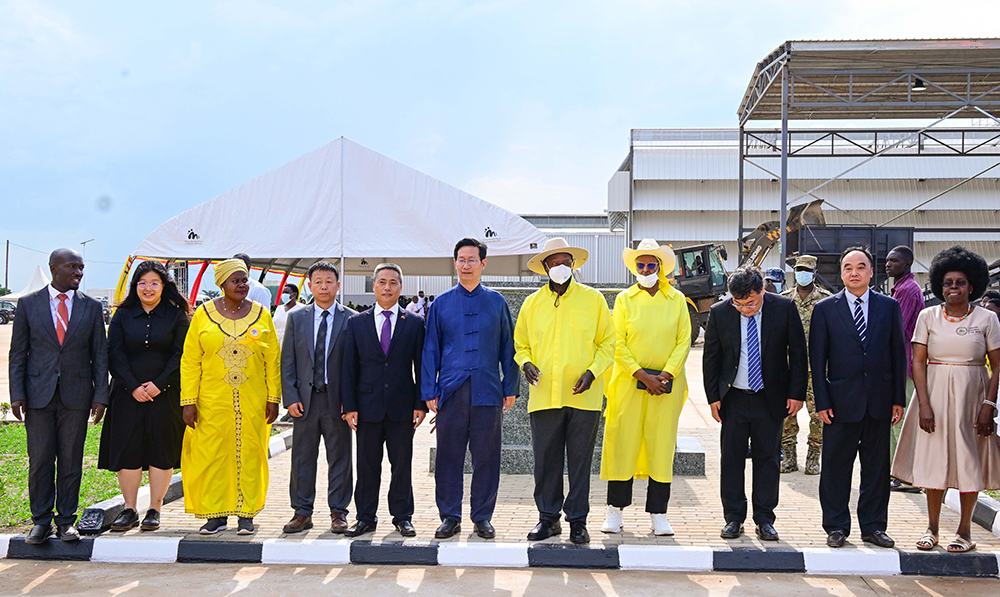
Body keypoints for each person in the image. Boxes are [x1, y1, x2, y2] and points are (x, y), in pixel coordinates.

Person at [892, 246, 1000, 553]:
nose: (954, 287)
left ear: (972, 285)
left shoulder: (987, 319)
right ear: (941, 286)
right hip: (934, 395)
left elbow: (997, 364)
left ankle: (964, 531)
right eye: (948, 282)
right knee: (934, 463)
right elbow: (917, 361)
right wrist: (924, 404)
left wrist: (988, 405)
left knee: (968, 462)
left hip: (973, 395)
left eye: (961, 282)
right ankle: (932, 528)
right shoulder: (928, 317)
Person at [515, 238, 615, 544]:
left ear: (573, 265)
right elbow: (521, 345)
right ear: (545, 267)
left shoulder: (593, 300)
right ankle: (548, 519)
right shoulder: (531, 304)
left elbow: (608, 343)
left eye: (565, 262)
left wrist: (592, 372)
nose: (561, 267)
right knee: (546, 461)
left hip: (584, 396)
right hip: (544, 395)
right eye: (554, 263)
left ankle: (577, 521)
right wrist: (526, 363)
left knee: (580, 461)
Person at [8, 248, 109, 544]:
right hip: (38, 396)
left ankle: (66, 521)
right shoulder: (29, 305)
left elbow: (99, 355)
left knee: (70, 460)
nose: (79, 272)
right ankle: (40, 521)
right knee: (40, 460)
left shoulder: (91, 307)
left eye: (81, 267)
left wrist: (100, 395)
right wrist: (17, 394)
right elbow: (18, 354)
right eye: (72, 267)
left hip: (76, 397)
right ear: (54, 269)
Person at [422, 237, 519, 540]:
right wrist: (429, 389)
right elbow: (431, 349)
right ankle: (450, 516)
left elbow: (509, 346)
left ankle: (482, 516)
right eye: (461, 260)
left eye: (472, 260)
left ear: (483, 264)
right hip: (451, 391)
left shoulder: (496, 301)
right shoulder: (442, 303)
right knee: (448, 457)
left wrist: (510, 385)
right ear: (455, 263)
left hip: (488, 390)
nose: (466, 265)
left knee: (487, 457)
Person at [811, 246, 907, 548]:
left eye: (861, 267)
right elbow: (818, 360)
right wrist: (822, 402)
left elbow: (897, 355)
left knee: (876, 469)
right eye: (848, 267)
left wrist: (898, 398)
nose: (855, 272)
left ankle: (874, 526)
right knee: (836, 468)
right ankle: (836, 526)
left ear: (870, 271)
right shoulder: (825, 309)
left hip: (879, 402)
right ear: (841, 273)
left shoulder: (888, 307)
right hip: (840, 404)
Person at [704, 266, 807, 541]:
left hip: (770, 398)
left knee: (768, 459)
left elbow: (798, 353)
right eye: (738, 303)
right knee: (732, 460)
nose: (744, 309)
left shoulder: (784, 309)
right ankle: (734, 518)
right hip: (733, 399)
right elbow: (711, 358)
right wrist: (713, 397)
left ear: (762, 291)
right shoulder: (721, 312)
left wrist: (797, 393)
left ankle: (764, 518)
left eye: (749, 303)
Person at [180, 259, 281, 535]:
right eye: (235, 280)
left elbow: (272, 359)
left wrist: (273, 397)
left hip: (252, 399)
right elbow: (190, 360)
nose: (242, 285)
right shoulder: (203, 314)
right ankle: (217, 514)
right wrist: (188, 401)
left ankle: (246, 514)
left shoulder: (261, 314)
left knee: (250, 452)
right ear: (221, 283)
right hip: (211, 400)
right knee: (212, 454)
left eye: (244, 280)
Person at [601, 239, 690, 537]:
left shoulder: (676, 299)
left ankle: (658, 514)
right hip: (629, 383)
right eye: (641, 265)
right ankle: (615, 511)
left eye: (652, 265)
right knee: (623, 443)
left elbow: (683, 340)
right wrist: (642, 374)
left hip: (665, 386)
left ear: (661, 268)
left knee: (660, 446)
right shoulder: (624, 299)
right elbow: (618, 343)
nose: (646, 269)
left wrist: (664, 375)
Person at [99, 260, 191, 532]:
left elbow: (181, 354)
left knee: (160, 451)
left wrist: (160, 384)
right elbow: (113, 352)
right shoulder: (122, 314)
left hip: (165, 395)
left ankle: (155, 508)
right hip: (127, 395)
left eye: (154, 283)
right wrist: (133, 386)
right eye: (142, 283)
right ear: (134, 286)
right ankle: (129, 509)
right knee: (129, 450)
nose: (148, 288)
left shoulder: (176, 315)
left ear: (164, 286)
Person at [341, 263, 427, 537]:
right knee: (367, 466)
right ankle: (365, 517)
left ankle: (402, 516)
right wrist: (350, 406)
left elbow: (420, 366)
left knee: (401, 465)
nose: (387, 287)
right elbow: (348, 368)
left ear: (401, 287)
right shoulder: (356, 322)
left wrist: (420, 403)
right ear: (374, 286)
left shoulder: (414, 323)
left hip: (402, 408)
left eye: (393, 282)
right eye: (382, 282)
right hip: (367, 408)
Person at [280, 261, 356, 534]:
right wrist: (290, 397)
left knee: (340, 457)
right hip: (305, 400)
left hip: (337, 402)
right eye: (318, 282)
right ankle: (302, 512)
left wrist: (351, 402)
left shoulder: (351, 319)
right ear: (309, 285)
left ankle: (339, 511)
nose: (323, 287)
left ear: (337, 285)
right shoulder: (297, 318)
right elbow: (287, 360)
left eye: (329, 281)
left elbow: (355, 365)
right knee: (302, 457)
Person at [779, 255, 831, 474]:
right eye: (799, 269)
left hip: (816, 369)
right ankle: (789, 457)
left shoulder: (826, 299)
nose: (802, 273)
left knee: (818, 416)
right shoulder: (784, 299)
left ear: (814, 273)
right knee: (787, 415)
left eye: (807, 270)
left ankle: (813, 458)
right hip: (789, 369)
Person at [885, 245, 924, 493]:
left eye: (894, 261)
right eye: (887, 260)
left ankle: (907, 476)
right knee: (893, 420)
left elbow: (896, 330)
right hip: (898, 366)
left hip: (906, 367)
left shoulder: (909, 290)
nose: (888, 264)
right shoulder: (900, 288)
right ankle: (894, 472)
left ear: (907, 264)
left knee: (901, 421)